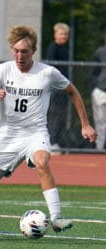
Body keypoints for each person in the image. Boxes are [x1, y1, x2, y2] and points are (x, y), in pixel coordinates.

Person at [0, 25, 97, 239]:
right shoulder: (1, 70)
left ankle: (56, 217)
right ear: (11, 50)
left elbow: (73, 92)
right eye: (16, 50)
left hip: (36, 133)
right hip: (8, 136)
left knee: (42, 162)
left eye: (24, 51)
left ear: (33, 51)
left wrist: (85, 124)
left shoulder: (47, 73)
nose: (19, 55)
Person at [46, 22, 70, 152]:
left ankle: (55, 141)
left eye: (66, 34)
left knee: (60, 115)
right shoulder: (53, 48)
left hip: (63, 87)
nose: (64, 36)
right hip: (55, 88)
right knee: (55, 114)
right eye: (61, 34)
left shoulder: (64, 49)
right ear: (55, 34)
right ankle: (51, 142)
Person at [89, 43, 106, 150]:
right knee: (100, 122)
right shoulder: (101, 51)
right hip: (101, 91)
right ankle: (100, 148)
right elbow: (93, 72)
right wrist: (96, 86)